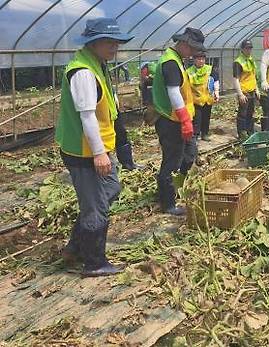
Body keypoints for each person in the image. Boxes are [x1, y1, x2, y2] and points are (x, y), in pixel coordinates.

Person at [55, 18, 133, 277]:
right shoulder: (84, 72)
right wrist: (99, 153)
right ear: (93, 43)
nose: (115, 48)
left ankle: (75, 245)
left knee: (111, 188)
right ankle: (93, 262)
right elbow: (87, 116)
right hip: (84, 152)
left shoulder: (96, 64)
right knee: (96, 208)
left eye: (116, 43)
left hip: (96, 148)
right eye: (109, 42)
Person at [152, 27, 205, 216]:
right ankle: (167, 202)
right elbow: (173, 92)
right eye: (192, 49)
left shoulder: (178, 60)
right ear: (183, 44)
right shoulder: (170, 63)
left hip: (181, 119)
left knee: (190, 154)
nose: (193, 53)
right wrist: (185, 120)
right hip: (171, 121)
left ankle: (175, 187)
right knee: (171, 161)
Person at [187, 51, 219, 141]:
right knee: (196, 119)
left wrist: (216, 92)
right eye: (199, 59)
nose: (201, 61)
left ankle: (205, 133)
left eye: (203, 59)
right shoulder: (189, 72)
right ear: (194, 60)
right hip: (196, 100)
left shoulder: (209, 69)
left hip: (208, 99)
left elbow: (216, 80)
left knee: (206, 118)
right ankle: (195, 136)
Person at [233, 40, 259, 138]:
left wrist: (256, 89)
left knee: (250, 112)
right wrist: (240, 94)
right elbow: (236, 79)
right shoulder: (238, 62)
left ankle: (250, 130)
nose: (249, 50)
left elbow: (253, 76)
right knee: (242, 113)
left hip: (252, 90)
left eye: (250, 48)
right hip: (244, 92)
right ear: (242, 49)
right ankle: (242, 132)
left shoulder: (251, 59)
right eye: (247, 48)